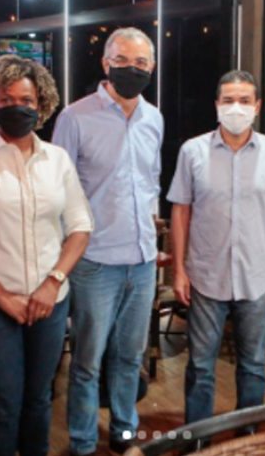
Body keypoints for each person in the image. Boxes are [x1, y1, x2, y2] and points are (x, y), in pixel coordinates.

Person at [0, 55, 93, 456]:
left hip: (49, 303)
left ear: (42, 104)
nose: (16, 107)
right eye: (6, 99)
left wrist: (52, 283)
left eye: (26, 100)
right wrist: (2, 296)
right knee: (2, 403)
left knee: (39, 397)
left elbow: (80, 227)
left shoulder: (57, 160)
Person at [52, 27, 163, 456]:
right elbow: (59, 191)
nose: (132, 69)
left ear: (152, 67)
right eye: (122, 61)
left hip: (142, 258)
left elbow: (150, 183)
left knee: (130, 357)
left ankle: (124, 431)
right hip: (94, 260)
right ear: (105, 63)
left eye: (141, 63)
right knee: (87, 361)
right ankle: (82, 442)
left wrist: (152, 236)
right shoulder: (75, 117)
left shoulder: (154, 118)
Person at [167, 70, 265, 426]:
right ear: (216, 105)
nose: (236, 108)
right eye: (228, 100)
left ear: (257, 106)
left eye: (244, 101)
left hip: (255, 276)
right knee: (200, 366)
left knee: (253, 365)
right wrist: (179, 270)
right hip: (205, 276)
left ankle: (248, 436)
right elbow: (181, 212)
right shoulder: (192, 151)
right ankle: (198, 438)